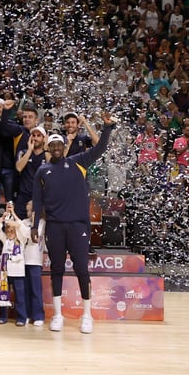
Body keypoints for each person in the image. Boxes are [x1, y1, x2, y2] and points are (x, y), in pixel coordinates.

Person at [32, 112, 117, 334]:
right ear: (49, 149)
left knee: (81, 270)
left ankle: (87, 316)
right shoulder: (42, 171)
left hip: (78, 226)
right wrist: (34, 227)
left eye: (59, 143)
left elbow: (99, 149)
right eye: (53, 145)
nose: (57, 147)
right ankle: (58, 316)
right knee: (57, 270)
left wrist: (107, 128)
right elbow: (38, 200)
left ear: (63, 146)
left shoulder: (78, 162)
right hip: (54, 226)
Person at [0, 203, 30, 326]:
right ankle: (3, 316)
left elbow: (25, 230)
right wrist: (2, 219)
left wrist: (14, 215)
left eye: (12, 229)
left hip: (18, 272)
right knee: (4, 294)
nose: (9, 231)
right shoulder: (5, 240)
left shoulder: (21, 240)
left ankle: (21, 318)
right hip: (5, 272)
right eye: (8, 230)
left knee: (20, 296)